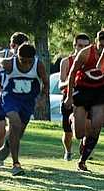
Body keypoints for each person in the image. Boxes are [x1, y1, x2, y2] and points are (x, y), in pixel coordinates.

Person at [0, 43, 49, 176]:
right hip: (10, 98)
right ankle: (16, 164)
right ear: (17, 56)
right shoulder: (9, 64)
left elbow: (46, 83)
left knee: (18, 132)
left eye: (29, 61)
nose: (26, 64)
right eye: (23, 61)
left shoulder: (38, 65)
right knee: (15, 124)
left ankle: (6, 147)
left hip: (27, 101)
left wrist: (42, 98)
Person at [64, 30, 104, 172]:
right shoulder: (86, 53)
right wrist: (69, 96)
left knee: (97, 125)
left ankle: (82, 161)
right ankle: (72, 118)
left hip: (100, 92)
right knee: (79, 134)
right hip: (83, 89)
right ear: (96, 41)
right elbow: (72, 73)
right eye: (101, 44)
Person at [0, 32, 29, 167]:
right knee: (1, 128)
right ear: (12, 45)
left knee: (18, 129)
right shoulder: (1, 55)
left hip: (18, 97)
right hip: (0, 95)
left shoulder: (27, 59)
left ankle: (6, 148)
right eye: (20, 48)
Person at [58, 33, 90, 161]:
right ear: (74, 46)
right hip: (68, 98)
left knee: (87, 126)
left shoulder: (92, 62)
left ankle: (84, 153)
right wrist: (72, 81)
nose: (82, 49)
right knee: (68, 132)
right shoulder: (66, 62)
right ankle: (68, 152)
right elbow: (61, 84)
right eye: (80, 46)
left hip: (86, 98)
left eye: (86, 46)